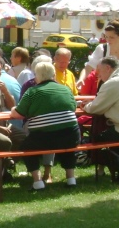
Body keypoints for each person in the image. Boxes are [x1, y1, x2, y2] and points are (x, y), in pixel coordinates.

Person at [10, 61, 80, 191]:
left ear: (37, 76)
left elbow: (18, 113)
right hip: (72, 135)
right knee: (68, 147)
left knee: (26, 148)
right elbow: (73, 107)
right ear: (53, 75)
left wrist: (14, 109)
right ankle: (71, 179)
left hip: (44, 137)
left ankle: (38, 181)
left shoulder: (32, 91)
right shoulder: (65, 89)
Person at [80, 19, 119, 84]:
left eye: (111, 37)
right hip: (105, 87)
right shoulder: (102, 49)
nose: (108, 40)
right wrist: (81, 79)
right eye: (106, 37)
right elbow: (89, 67)